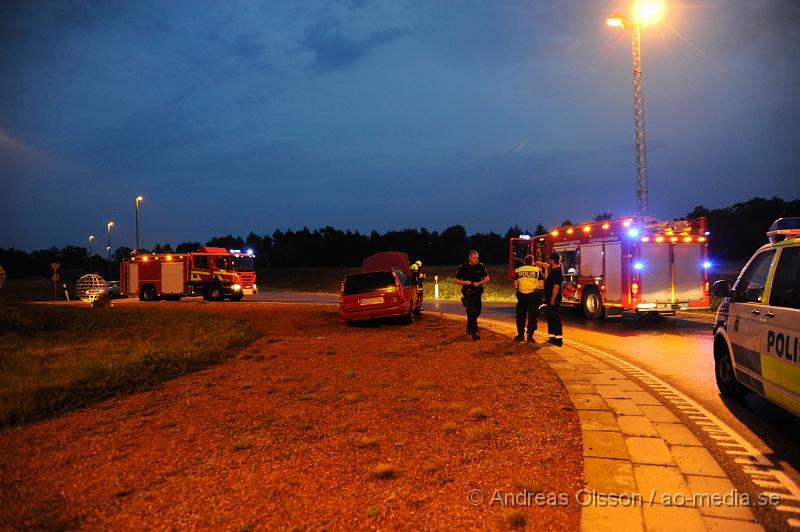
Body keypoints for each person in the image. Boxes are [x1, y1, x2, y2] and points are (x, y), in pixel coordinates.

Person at [454, 250, 490, 340]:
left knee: (477, 311)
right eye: (474, 258)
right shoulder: (463, 267)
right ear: (469, 258)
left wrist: (479, 283)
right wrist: (464, 282)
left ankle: (469, 329)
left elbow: (487, 278)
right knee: (471, 311)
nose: (476, 259)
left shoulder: (480, 266)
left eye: (477, 258)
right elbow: (455, 279)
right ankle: (475, 332)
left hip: (477, 292)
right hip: (467, 292)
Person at [513, 254, 546, 343]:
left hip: (521, 296)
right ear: (532, 262)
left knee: (520, 316)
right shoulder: (537, 270)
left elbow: (516, 284)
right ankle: (530, 336)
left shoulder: (518, 270)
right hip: (533, 296)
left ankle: (520, 335)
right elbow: (541, 285)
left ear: (524, 262)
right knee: (532, 316)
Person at [544, 253, 564, 346]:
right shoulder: (554, 270)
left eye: (550, 260)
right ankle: (552, 337)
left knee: (555, 317)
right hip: (550, 298)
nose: (549, 261)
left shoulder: (556, 272)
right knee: (551, 317)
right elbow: (545, 265)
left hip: (554, 299)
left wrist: (552, 298)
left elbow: (556, 286)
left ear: (552, 260)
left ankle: (558, 339)